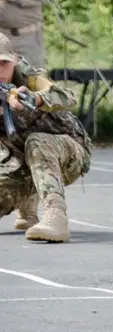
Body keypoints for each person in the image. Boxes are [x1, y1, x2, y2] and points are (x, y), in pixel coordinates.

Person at [0, 33, 91, 243]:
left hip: (68, 152)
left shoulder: (30, 79)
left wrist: (35, 99)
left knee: (37, 141)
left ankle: (55, 217)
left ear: (15, 59)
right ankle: (27, 211)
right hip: (21, 162)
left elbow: (67, 96)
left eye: (4, 63)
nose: (0, 71)